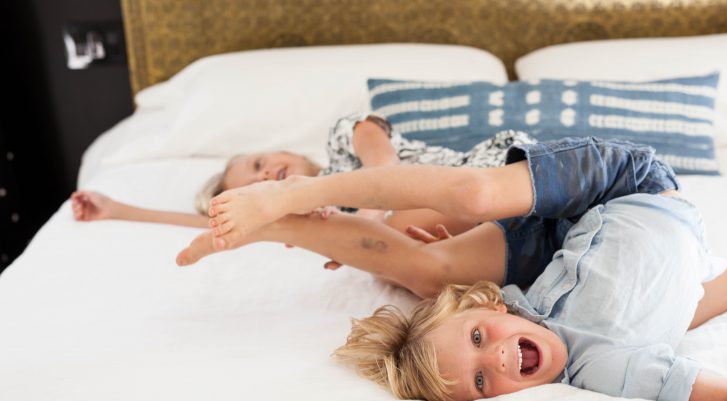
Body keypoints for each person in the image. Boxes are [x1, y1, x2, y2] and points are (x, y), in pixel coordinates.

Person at [175, 136, 727, 401]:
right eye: (479, 382)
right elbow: (725, 395)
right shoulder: (611, 370)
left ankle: (288, 202)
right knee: (693, 308)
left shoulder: (518, 313)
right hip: (614, 248)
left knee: (473, 199)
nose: (497, 359)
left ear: (491, 307)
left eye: (478, 338)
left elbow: (469, 302)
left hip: (622, 187)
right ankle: (281, 231)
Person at [71, 113, 536, 239]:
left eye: (257, 165)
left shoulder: (342, 135)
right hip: (449, 224)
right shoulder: (312, 211)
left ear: (282, 151)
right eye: (256, 186)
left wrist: (371, 220)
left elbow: (384, 167)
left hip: (491, 172)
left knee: (386, 237)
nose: (264, 175)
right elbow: (219, 223)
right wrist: (117, 210)